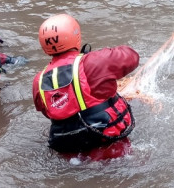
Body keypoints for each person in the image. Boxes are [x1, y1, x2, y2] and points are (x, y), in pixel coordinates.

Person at [32, 13, 139, 154]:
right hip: (110, 146)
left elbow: (50, 112)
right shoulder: (93, 62)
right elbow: (132, 57)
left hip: (71, 151)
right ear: (75, 36)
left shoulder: (38, 80)